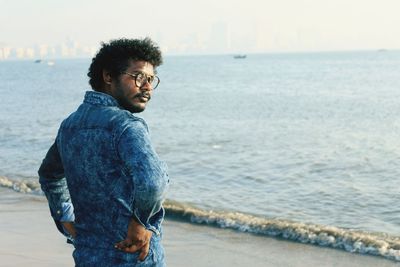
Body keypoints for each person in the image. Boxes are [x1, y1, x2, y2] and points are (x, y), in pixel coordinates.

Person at [38, 38, 170, 266]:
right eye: (138, 77)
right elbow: (153, 182)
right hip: (133, 254)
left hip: (88, 255)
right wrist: (141, 222)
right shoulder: (127, 126)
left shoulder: (70, 124)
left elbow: (49, 175)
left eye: (151, 79)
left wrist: (64, 216)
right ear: (108, 76)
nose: (147, 87)